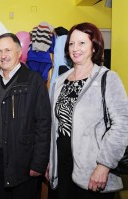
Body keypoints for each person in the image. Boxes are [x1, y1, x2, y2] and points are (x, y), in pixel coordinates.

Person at [48, 22, 128, 199]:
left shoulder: (107, 78)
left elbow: (122, 125)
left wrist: (104, 165)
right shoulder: (60, 81)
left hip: (92, 167)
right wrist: (51, 161)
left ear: (94, 47)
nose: (75, 48)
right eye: (71, 43)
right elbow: (55, 127)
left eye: (82, 43)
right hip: (62, 164)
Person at [0, 33, 52, 199]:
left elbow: (43, 124)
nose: (3, 55)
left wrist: (39, 162)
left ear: (19, 52)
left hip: (24, 160)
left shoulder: (34, 81)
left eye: (8, 50)